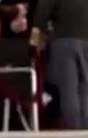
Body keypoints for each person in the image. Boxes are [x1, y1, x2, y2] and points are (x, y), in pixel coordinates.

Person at [33, 0, 88, 129]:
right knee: (85, 88)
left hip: (64, 41)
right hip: (86, 41)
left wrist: (34, 42)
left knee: (68, 89)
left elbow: (40, 17)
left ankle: (74, 131)